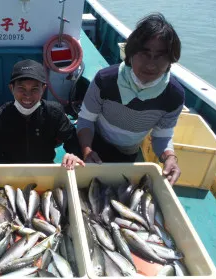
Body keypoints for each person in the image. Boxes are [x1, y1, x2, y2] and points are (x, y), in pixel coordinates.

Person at [77, 13, 183, 184]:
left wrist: (170, 158)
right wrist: (87, 150)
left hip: (128, 151)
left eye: (160, 56)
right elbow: (86, 120)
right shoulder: (105, 80)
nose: (151, 64)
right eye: (144, 53)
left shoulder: (174, 95)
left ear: (171, 59)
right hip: (94, 140)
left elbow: (162, 136)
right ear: (131, 53)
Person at [0, 59, 84, 169]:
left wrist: (73, 154)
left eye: (35, 89)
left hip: (45, 169)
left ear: (43, 89)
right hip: (9, 172)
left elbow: (72, 139)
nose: (28, 95)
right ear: (11, 88)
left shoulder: (54, 112)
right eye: (21, 88)